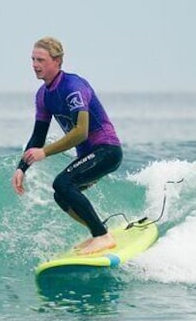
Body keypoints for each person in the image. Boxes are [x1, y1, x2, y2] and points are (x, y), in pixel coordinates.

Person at [11, 37, 123, 255]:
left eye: (41, 59)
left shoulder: (73, 86)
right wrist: (21, 168)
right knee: (61, 194)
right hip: (90, 155)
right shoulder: (43, 95)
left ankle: (101, 235)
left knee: (62, 183)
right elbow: (38, 136)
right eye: (33, 59)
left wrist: (45, 153)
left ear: (57, 61)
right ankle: (98, 232)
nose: (35, 64)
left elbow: (81, 132)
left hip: (106, 150)